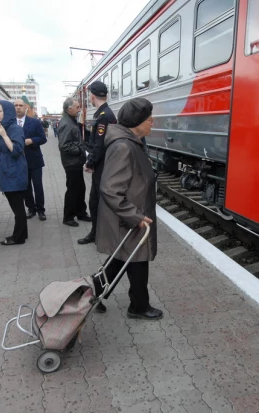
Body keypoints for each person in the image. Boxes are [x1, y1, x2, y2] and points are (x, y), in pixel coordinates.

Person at [92, 97, 161, 320]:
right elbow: (110, 189)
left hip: (133, 217)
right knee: (131, 260)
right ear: (137, 121)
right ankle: (136, 306)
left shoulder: (131, 142)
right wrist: (134, 216)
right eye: (149, 118)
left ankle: (93, 295)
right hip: (128, 218)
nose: (153, 121)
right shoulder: (123, 146)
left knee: (124, 260)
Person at [0, 101, 29, 245]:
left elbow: (16, 150)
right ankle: (23, 234)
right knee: (16, 203)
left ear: (7, 112)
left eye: (0, 111)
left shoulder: (15, 128)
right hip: (4, 169)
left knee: (17, 205)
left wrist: (4, 135)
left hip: (14, 169)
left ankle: (18, 237)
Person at [78, 81, 117, 245]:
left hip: (103, 166)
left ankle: (99, 234)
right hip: (105, 164)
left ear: (92, 96)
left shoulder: (103, 116)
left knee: (96, 201)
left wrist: (90, 163)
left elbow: (99, 145)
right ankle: (99, 232)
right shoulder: (104, 114)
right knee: (97, 201)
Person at [58, 98, 91, 227]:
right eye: (77, 107)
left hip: (75, 162)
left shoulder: (70, 120)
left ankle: (80, 212)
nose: (79, 110)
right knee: (73, 190)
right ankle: (68, 216)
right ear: (69, 109)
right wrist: (80, 150)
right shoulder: (66, 123)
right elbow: (64, 146)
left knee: (80, 188)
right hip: (71, 163)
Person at [15, 98, 47, 221]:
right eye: (16, 105)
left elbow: (43, 138)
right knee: (26, 187)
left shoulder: (34, 122)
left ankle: (40, 210)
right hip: (19, 161)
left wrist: (32, 140)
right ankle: (31, 208)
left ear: (25, 108)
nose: (18, 107)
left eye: (20, 105)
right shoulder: (11, 123)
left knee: (38, 186)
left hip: (34, 160)